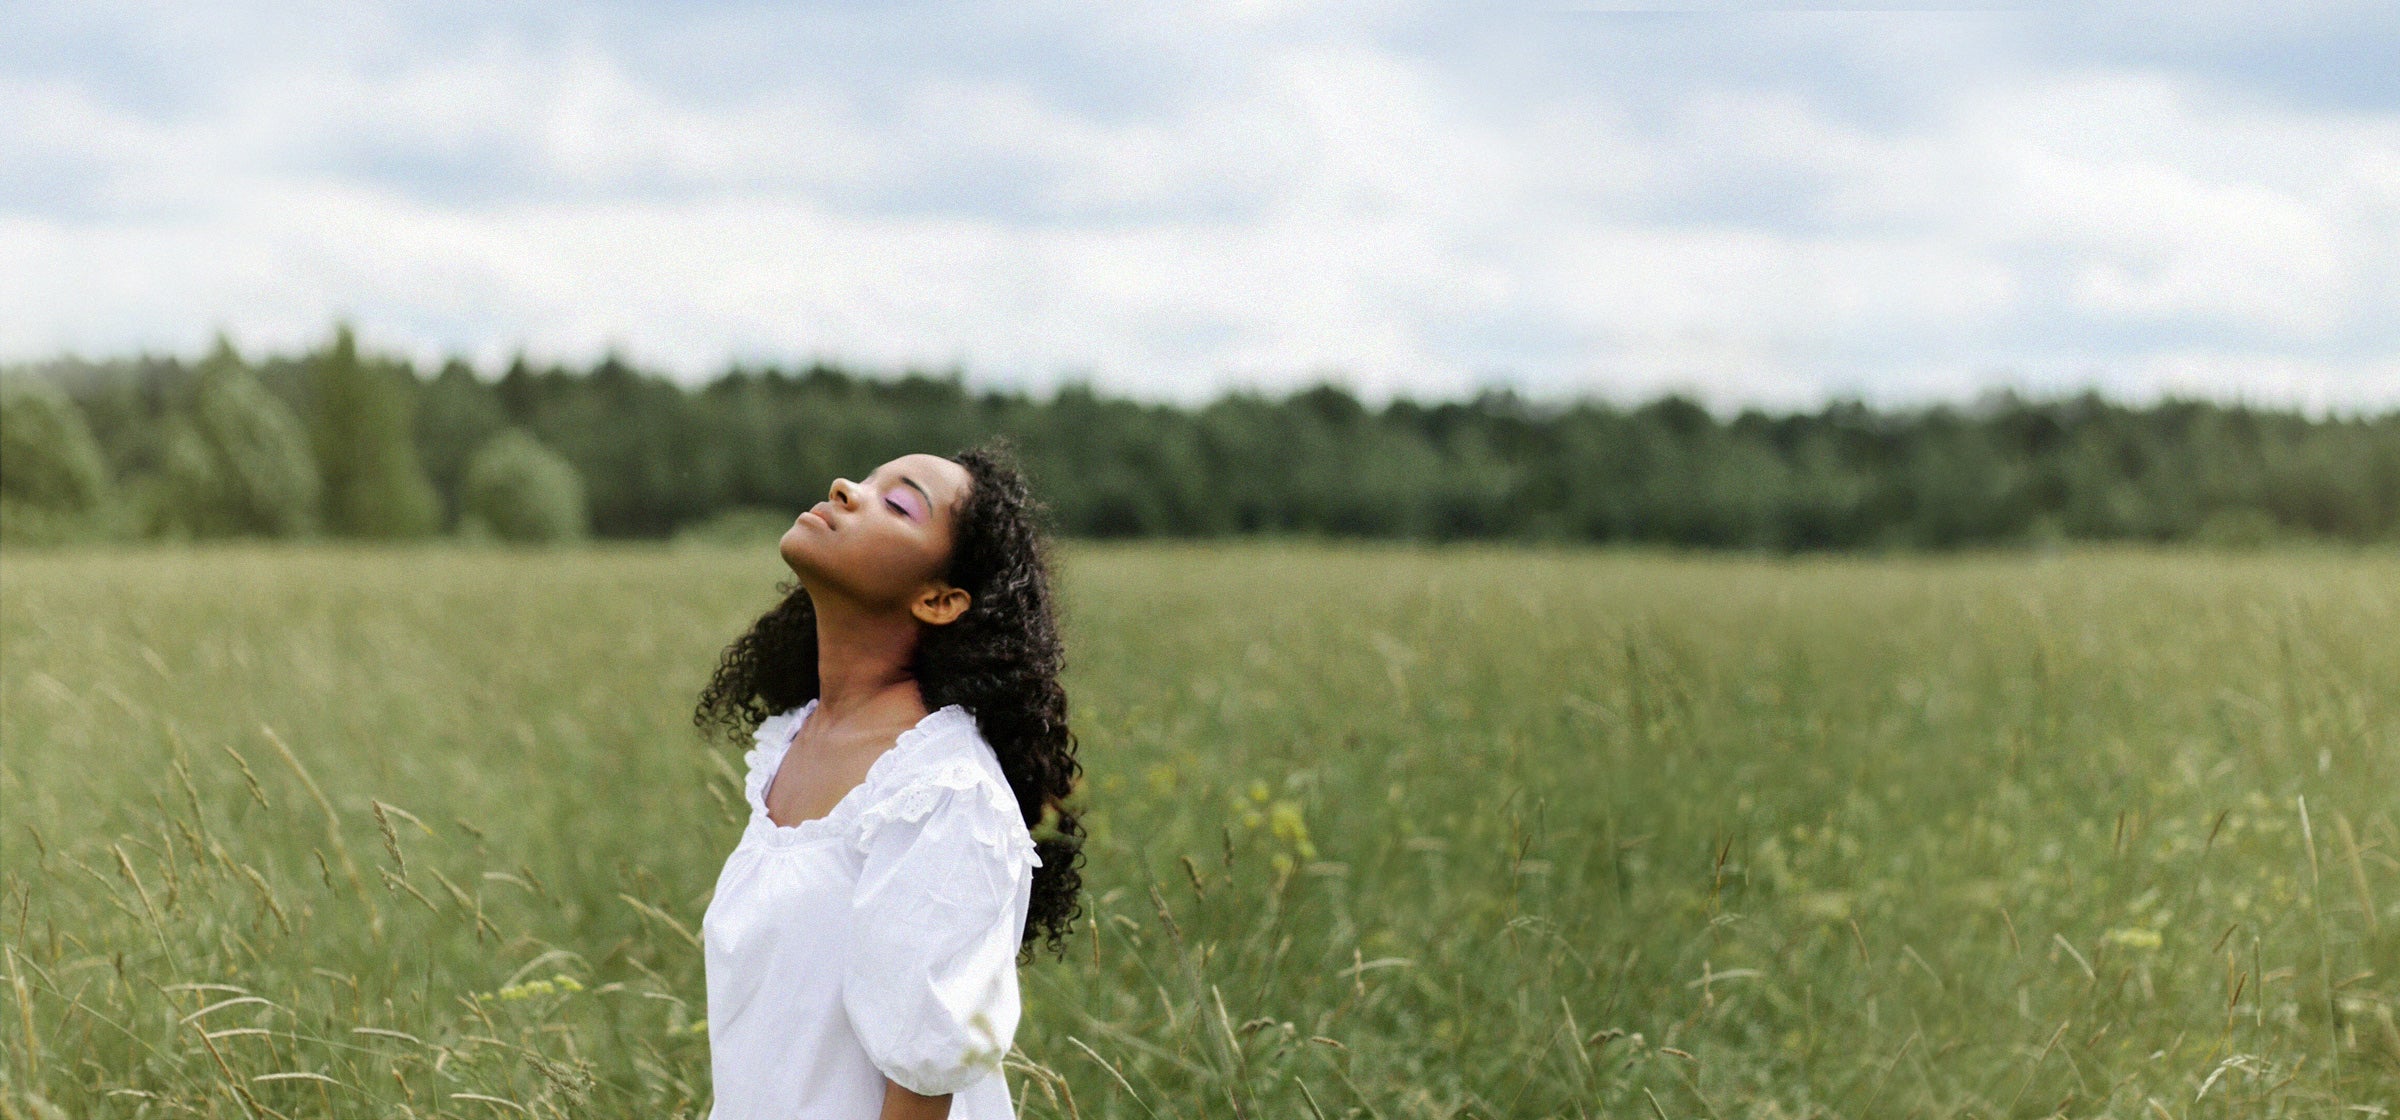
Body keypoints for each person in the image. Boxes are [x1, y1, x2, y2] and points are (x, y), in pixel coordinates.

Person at [693, 444, 1084, 1120]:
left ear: (938, 600)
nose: (846, 487)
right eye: (867, 479)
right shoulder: (794, 741)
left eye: (898, 503)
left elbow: (921, 1084)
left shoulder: (943, 790)